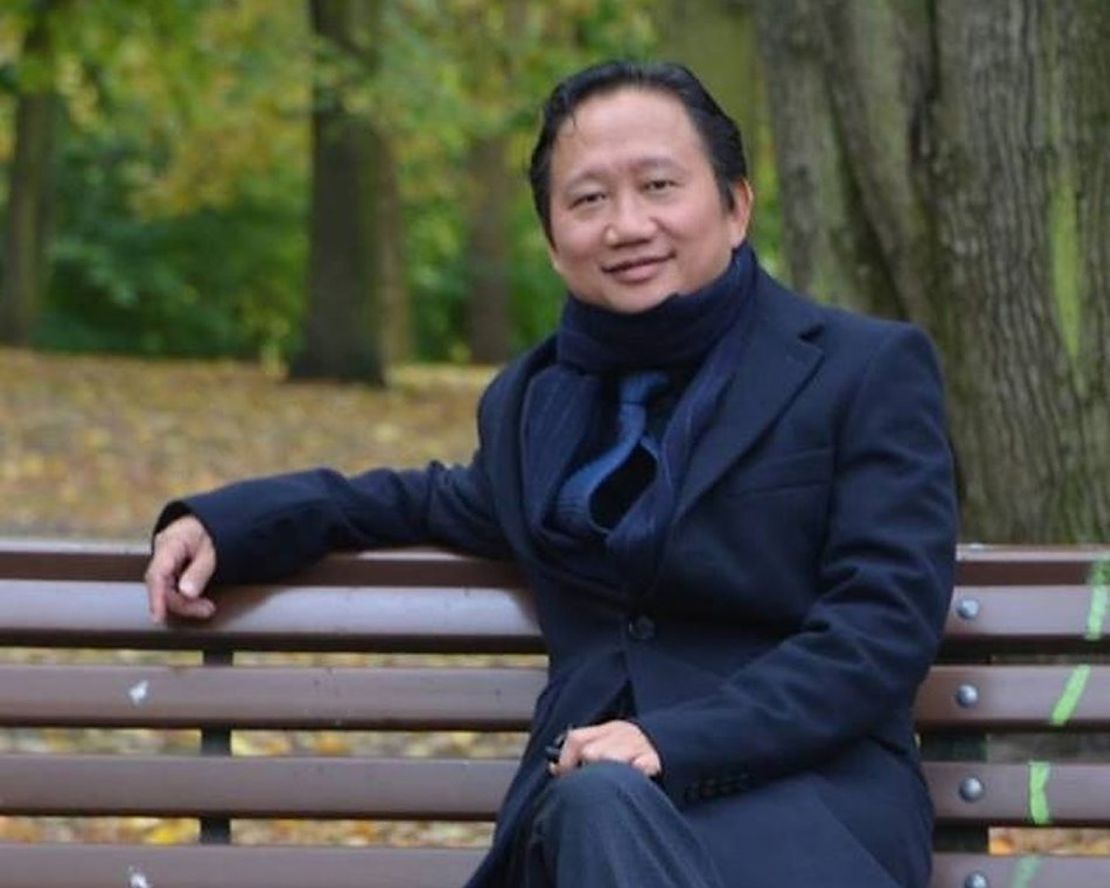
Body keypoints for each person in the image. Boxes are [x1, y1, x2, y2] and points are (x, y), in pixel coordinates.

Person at [145, 60, 957, 887]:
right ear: (553, 238)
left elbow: (879, 629)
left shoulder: (862, 370)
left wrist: (673, 741)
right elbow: (419, 501)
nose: (627, 225)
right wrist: (227, 522)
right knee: (596, 808)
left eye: (659, 185)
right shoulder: (535, 406)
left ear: (736, 205)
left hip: (804, 814)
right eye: (589, 199)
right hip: (586, 828)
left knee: (602, 804)